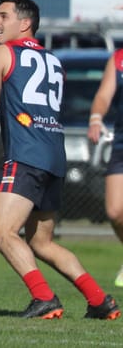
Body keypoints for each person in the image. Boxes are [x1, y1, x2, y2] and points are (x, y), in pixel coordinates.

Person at [0, 0, 119, 319]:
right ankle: (99, 300)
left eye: (3, 16)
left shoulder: (4, 52)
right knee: (41, 242)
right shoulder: (54, 60)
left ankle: (44, 298)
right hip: (54, 156)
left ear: (25, 23)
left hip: (25, 154)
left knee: (1, 233)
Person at [86, 46, 123, 288]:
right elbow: (103, 96)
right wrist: (96, 118)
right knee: (115, 211)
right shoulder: (119, 58)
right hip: (121, 143)